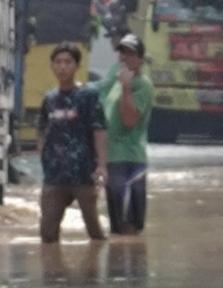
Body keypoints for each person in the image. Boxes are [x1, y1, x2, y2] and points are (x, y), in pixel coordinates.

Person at [32, 42, 108, 244]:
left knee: (95, 231)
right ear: (52, 66)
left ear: (77, 66)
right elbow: (41, 128)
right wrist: (43, 154)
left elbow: (99, 129)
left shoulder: (88, 96)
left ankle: (101, 261)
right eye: (58, 62)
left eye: (67, 62)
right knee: (47, 234)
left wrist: (101, 165)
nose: (62, 67)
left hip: (84, 174)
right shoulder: (49, 98)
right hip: (54, 176)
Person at [102, 32, 155, 235]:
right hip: (112, 159)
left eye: (130, 54)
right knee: (116, 226)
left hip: (130, 160)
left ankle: (133, 256)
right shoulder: (116, 80)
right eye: (122, 53)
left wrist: (126, 88)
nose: (124, 58)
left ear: (140, 59)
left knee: (129, 227)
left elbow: (129, 120)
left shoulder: (142, 85)